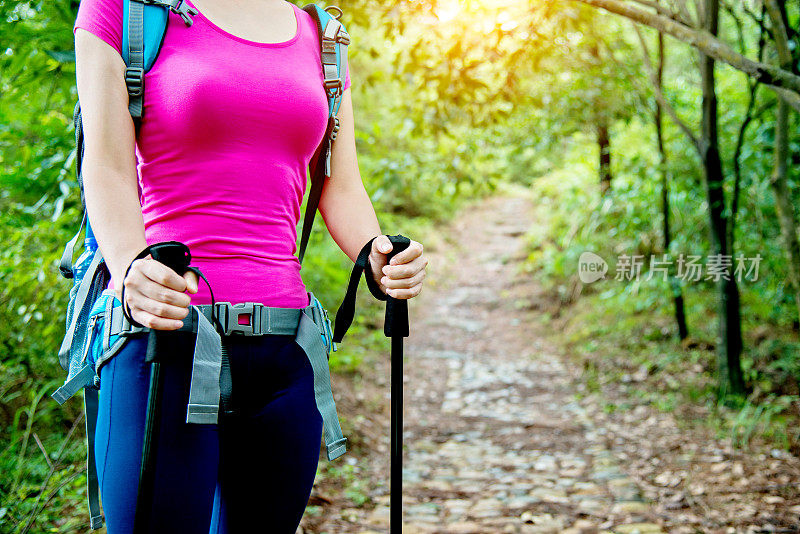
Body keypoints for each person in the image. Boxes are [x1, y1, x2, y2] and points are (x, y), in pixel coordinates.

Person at [73, 0, 429, 531]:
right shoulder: (124, 10)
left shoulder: (323, 34)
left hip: (287, 353)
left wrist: (376, 254)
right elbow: (104, 166)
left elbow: (340, 184)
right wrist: (129, 267)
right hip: (167, 338)